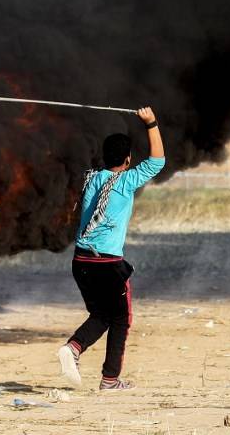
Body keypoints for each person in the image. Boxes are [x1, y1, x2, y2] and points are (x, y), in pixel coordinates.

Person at [58, 106, 165, 391]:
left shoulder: (91, 178)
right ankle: (108, 378)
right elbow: (158, 161)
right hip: (107, 265)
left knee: (103, 315)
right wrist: (151, 122)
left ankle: (75, 349)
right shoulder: (126, 181)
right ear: (128, 160)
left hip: (81, 262)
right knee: (121, 318)